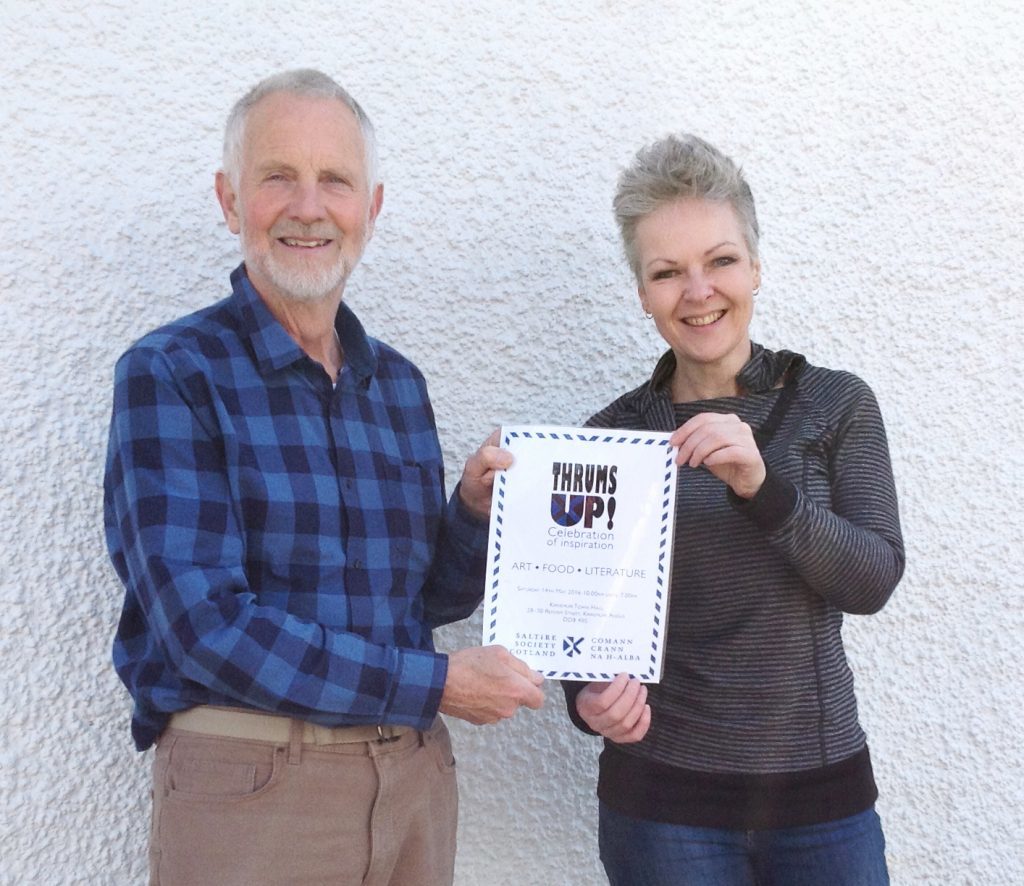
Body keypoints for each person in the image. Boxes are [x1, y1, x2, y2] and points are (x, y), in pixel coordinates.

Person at [104, 69, 544, 886]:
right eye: (278, 178)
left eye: (334, 180)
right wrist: (440, 683)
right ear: (230, 200)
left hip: (410, 782)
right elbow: (206, 629)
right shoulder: (171, 374)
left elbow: (421, 601)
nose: (309, 207)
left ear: (369, 210)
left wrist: (475, 513)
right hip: (257, 790)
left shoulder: (397, 384)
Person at [561, 135, 904, 885]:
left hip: (823, 805)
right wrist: (584, 698)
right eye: (666, 272)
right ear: (642, 291)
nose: (698, 290)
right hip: (660, 809)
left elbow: (873, 580)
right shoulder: (610, 439)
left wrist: (763, 487)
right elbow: (579, 619)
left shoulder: (835, 404)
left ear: (755, 266)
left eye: (719, 261)